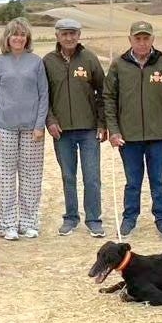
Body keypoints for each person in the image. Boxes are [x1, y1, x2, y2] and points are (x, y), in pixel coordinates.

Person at [104, 20, 162, 239]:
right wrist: (114, 130)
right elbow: (109, 98)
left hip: (159, 135)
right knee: (132, 181)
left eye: (145, 38)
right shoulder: (118, 65)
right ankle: (129, 218)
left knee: (158, 180)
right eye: (137, 38)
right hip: (128, 137)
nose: (141, 42)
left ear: (152, 40)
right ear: (130, 40)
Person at [0, 17, 48, 241]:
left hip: (32, 129)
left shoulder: (36, 62)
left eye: (22, 35)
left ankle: (29, 223)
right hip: (4, 127)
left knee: (31, 177)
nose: (18, 38)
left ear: (27, 38)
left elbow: (44, 95)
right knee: (4, 177)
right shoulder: (0, 63)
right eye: (14, 34)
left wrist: (40, 124)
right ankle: (7, 224)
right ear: (8, 38)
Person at [43, 17, 107, 238]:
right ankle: (71, 218)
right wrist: (50, 120)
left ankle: (94, 219)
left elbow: (103, 92)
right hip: (61, 131)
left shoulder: (89, 59)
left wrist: (102, 123)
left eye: (73, 33)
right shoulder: (48, 62)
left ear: (79, 35)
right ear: (57, 36)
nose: (69, 38)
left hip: (89, 130)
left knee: (91, 177)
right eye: (64, 34)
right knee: (68, 176)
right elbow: (45, 96)